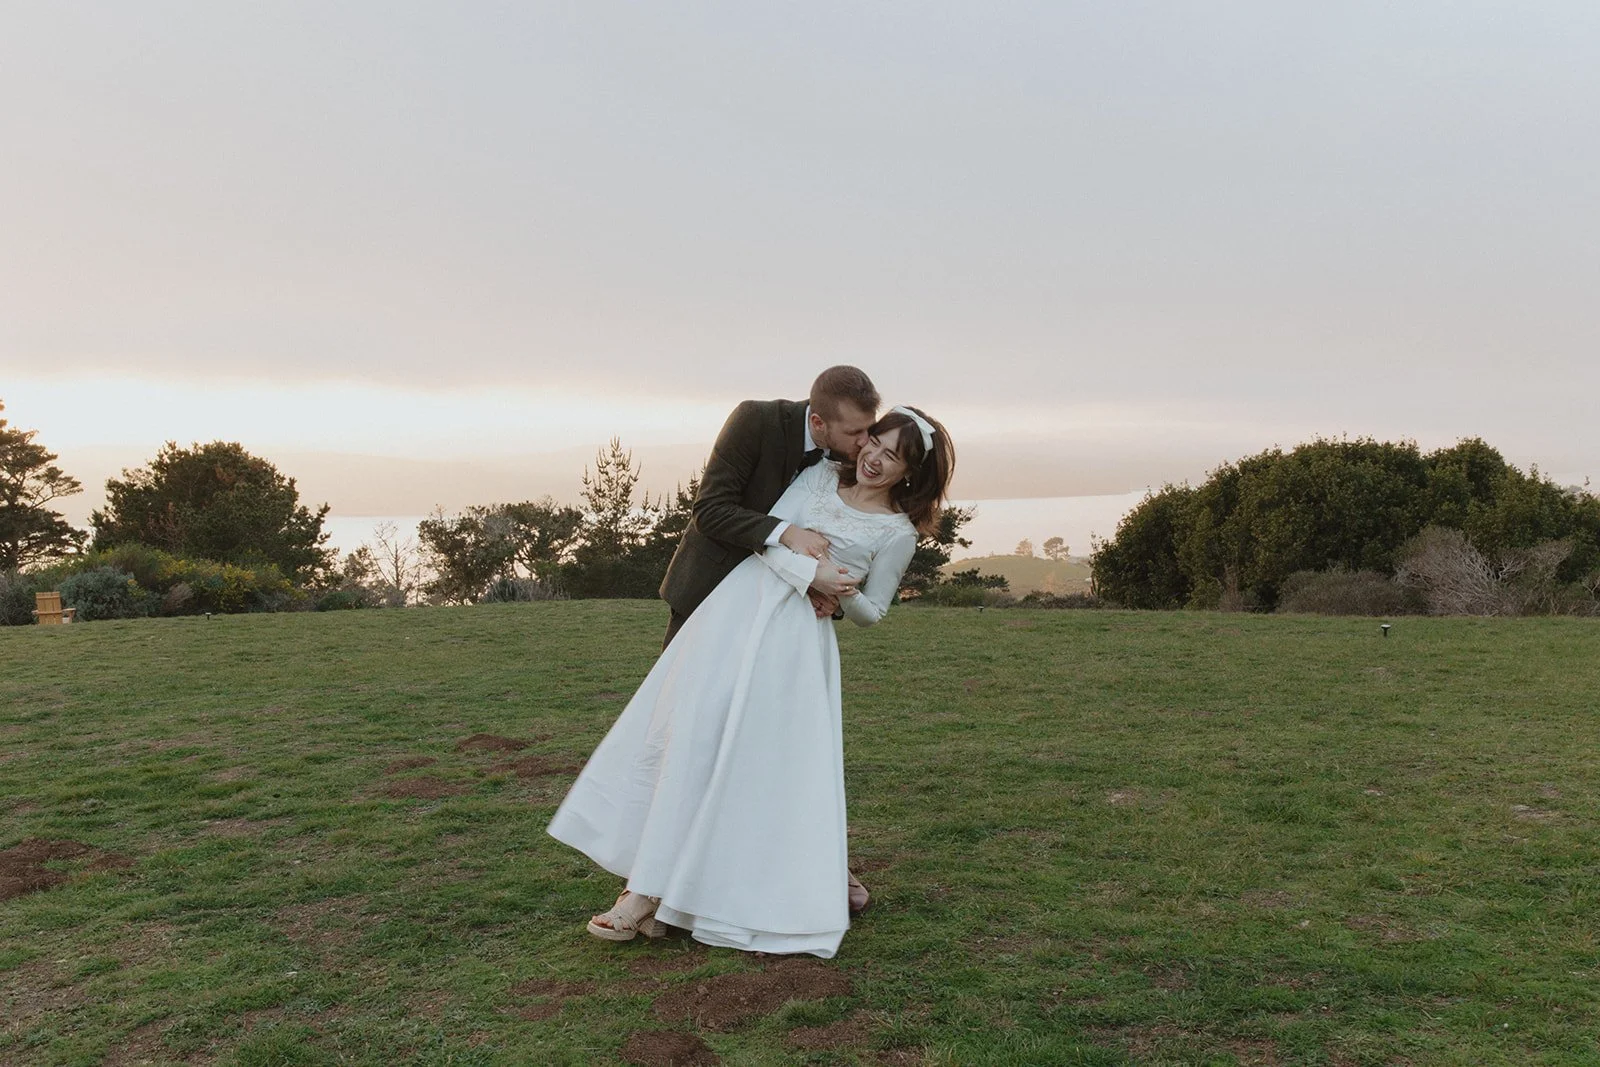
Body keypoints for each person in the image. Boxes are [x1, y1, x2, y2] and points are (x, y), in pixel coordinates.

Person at [547, 405, 955, 958]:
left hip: (794, 649)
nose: (875, 459)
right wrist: (811, 572)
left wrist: (845, 593)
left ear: (910, 472)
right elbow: (766, 541)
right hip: (737, 614)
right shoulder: (815, 478)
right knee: (691, 740)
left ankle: (715, 891)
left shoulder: (897, 533)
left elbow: (874, 613)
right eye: (874, 444)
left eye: (892, 457)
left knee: (759, 765)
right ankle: (642, 893)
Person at [658, 366, 880, 648]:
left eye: (869, 429)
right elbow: (709, 510)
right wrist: (787, 532)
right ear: (818, 422)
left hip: (782, 607)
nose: (865, 442)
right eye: (854, 432)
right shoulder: (756, 421)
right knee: (683, 689)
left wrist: (832, 597)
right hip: (710, 589)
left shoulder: (852, 458)